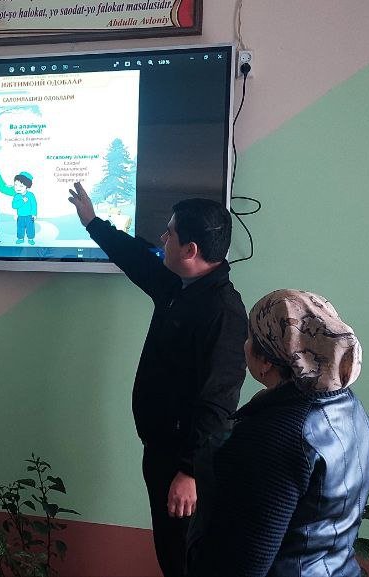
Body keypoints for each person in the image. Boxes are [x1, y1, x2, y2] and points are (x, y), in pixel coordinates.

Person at [67, 183, 247, 577]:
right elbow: (135, 257)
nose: (163, 239)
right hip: (161, 449)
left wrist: (190, 471)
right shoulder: (177, 285)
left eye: (170, 233)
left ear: (190, 250)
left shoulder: (223, 312)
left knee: (184, 557)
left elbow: (218, 401)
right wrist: (93, 223)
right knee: (169, 550)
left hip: (185, 462)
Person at [189, 290, 369, 577]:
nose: (244, 345)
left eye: (249, 337)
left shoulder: (274, 435)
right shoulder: (349, 408)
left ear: (266, 361)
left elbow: (242, 563)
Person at [11, 172, 38, 245]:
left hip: (29, 216)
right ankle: (20, 238)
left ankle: (30, 239)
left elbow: (34, 205)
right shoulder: (16, 196)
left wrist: (34, 214)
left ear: (27, 186)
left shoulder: (31, 195)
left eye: (21, 186)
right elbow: (14, 205)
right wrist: (22, 201)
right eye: (16, 185)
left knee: (30, 228)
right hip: (20, 216)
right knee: (20, 228)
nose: (17, 188)